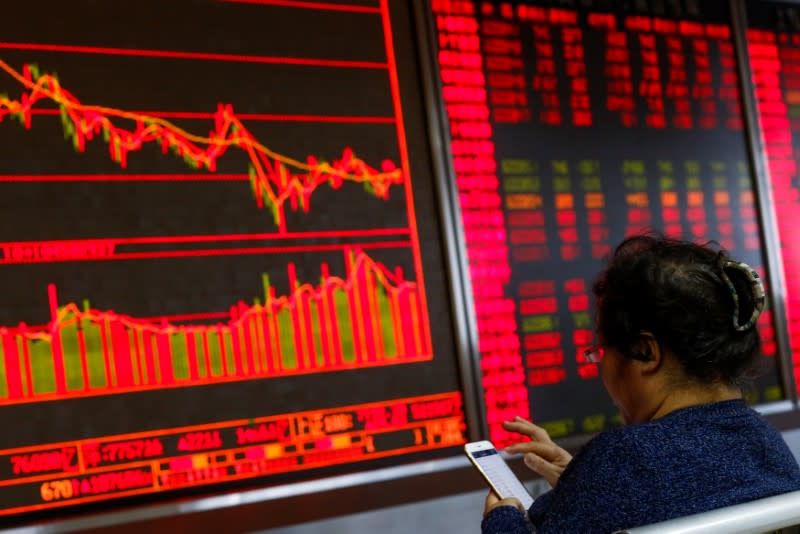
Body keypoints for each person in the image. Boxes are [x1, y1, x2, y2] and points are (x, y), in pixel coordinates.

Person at [481, 234, 800, 534]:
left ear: (646, 353)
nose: (600, 365)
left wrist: (502, 518)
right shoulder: (767, 443)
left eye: (601, 351)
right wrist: (580, 484)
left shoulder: (620, 459)